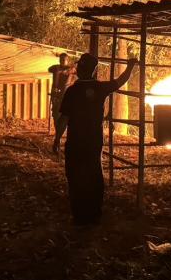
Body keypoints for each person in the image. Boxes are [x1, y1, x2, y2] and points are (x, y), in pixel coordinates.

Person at [56, 53, 136, 225]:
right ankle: (94, 213)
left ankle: (79, 215)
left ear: (80, 69)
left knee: (75, 176)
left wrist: (56, 139)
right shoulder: (101, 88)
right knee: (94, 174)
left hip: (75, 141)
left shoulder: (72, 91)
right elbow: (120, 81)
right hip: (94, 141)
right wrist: (130, 66)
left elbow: (64, 119)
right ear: (94, 70)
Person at [48, 52, 74, 154]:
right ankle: (57, 138)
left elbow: (76, 71)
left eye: (64, 60)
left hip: (66, 97)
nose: (62, 61)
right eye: (61, 59)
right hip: (56, 96)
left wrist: (68, 70)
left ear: (68, 60)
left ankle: (57, 140)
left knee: (64, 118)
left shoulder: (71, 69)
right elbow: (49, 69)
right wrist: (60, 70)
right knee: (56, 117)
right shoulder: (56, 68)